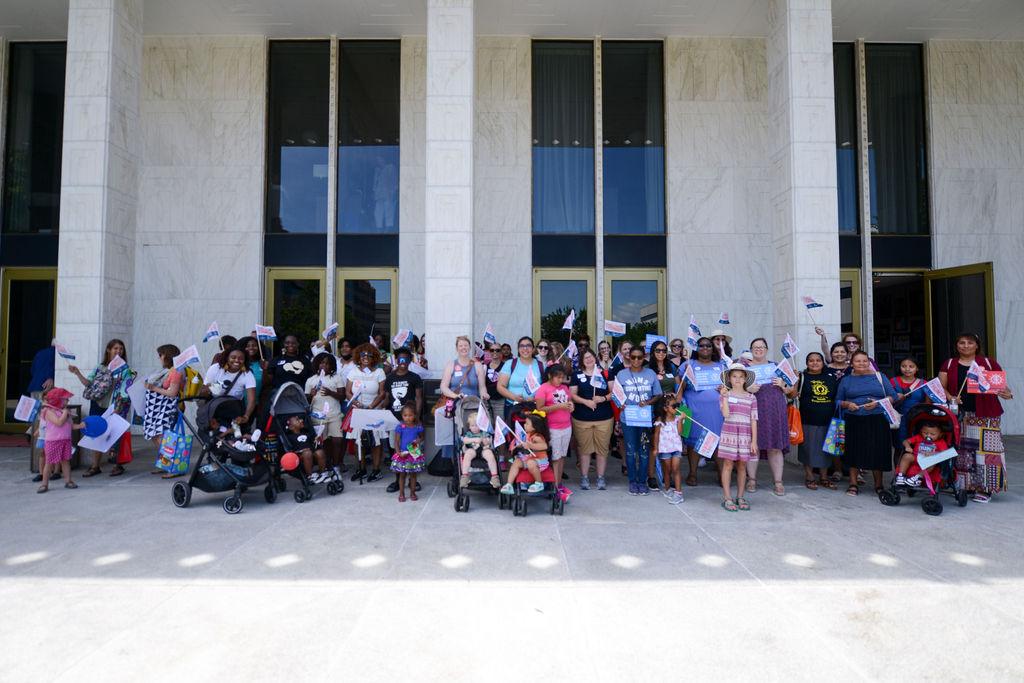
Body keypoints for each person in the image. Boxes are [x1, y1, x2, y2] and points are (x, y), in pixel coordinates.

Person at [938, 332, 1014, 503]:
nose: (965, 346)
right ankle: (966, 486)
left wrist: (1007, 394)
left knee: (988, 453)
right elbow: (940, 387)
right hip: (961, 414)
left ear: (977, 346)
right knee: (964, 452)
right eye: (961, 343)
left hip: (986, 414)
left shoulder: (988, 363)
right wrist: (951, 397)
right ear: (957, 345)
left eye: (970, 343)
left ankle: (985, 489)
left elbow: (1002, 388)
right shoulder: (949, 364)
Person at [835, 350, 899, 496]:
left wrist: (877, 403)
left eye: (865, 361)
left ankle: (878, 485)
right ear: (851, 364)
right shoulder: (846, 380)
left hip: (877, 418)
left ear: (869, 362)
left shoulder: (879, 377)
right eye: (858, 361)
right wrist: (847, 404)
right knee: (854, 451)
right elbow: (837, 401)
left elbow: (893, 397)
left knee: (878, 451)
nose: (862, 364)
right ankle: (853, 484)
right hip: (853, 419)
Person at [69, 338, 134, 477]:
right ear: (108, 350)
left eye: (121, 349)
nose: (118, 351)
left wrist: (118, 407)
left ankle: (118, 465)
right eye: (115, 348)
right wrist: (77, 372)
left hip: (115, 406)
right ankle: (95, 466)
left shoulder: (125, 370)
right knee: (96, 433)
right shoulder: (100, 367)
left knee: (116, 434)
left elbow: (125, 390)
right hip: (97, 404)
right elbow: (88, 383)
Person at [743, 337, 796, 496]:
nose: (758, 349)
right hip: (752, 409)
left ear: (766, 349)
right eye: (755, 347)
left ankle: (778, 482)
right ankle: (751, 479)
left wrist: (783, 385)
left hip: (774, 410)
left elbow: (792, 392)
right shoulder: (744, 368)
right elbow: (735, 387)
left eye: (761, 347)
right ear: (751, 350)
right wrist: (748, 387)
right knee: (753, 446)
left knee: (775, 446)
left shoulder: (777, 367)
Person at [614, 346, 662, 496]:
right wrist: (620, 403)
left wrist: (648, 402)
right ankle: (632, 481)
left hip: (644, 418)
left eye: (639, 357)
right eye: (633, 357)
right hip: (628, 418)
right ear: (628, 357)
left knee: (643, 450)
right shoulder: (621, 374)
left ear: (644, 358)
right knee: (630, 450)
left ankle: (642, 481)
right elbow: (616, 395)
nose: (636, 360)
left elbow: (658, 394)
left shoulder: (650, 373)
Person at [681, 337, 727, 486]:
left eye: (708, 345)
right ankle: (693, 473)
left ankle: (722, 475)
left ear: (712, 348)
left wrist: (725, 389)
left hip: (717, 412)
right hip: (694, 411)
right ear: (697, 348)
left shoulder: (721, 366)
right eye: (701, 345)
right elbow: (679, 386)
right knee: (694, 443)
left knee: (718, 441)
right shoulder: (688, 365)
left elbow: (731, 386)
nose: (705, 348)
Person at [570, 348, 614, 491]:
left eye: (591, 357)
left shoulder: (605, 373)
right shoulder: (576, 375)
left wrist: (602, 398)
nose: (589, 359)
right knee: (585, 449)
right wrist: (586, 402)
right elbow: (572, 395)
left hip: (604, 417)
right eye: (585, 358)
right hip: (582, 418)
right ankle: (584, 477)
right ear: (581, 361)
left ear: (595, 358)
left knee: (602, 449)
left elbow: (613, 393)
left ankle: (601, 477)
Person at [383, 347, 424, 493]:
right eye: (400, 359)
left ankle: (413, 480)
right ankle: (397, 480)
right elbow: (387, 398)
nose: (403, 362)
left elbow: (419, 398)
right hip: (394, 420)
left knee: (413, 450)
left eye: (406, 359)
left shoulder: (415, 377)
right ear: (395, 359)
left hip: (411, 421)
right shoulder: (390, 378)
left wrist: (417, 417)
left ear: (409, 360)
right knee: (397, 450)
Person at [717, 363, 758, 511]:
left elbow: (754, 419)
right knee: (728, 464)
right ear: (729, 378)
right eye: (734, 376)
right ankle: (727, 498)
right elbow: (726, 414)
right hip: (730, 433)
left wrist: (754, 441)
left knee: (742, 465)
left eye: (741, 376)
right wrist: (725, 398)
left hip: (745, 435)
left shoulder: (751, 397)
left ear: (746, 378)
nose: (738, 379)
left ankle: (740, 496)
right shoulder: (724, 395)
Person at [345, 343, 387, 482]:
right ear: (358, 356)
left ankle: (376, 470)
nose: (366, 357)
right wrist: (357, 404)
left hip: (373, 410)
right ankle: (361, 469)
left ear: (374, 357)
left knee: (375, 441)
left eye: (369, 355)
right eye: (363, 355)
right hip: (358, 409)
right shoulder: (353, 371)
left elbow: (382, 394)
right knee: (358, 440)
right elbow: (347, 391)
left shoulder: (379, 372)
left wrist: (370, 407)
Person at [796, 352, 838, 490]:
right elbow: (792, 394)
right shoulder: (801, 377)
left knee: (826, 450)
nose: (815, 363)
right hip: (808, 419)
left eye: (818, 360)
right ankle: (809, 476)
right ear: (807, 363)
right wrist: (794, 381)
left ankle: (824, 477)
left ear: (822, 362)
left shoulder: (831, 377)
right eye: (811, 361)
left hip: (828, 419)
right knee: (808, 449)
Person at [533, 365, 574, 498]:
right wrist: (558, 406)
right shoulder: (543, 388)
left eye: (562, 377)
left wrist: (570, 406)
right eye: (558, 377)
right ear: (550, 376)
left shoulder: (565, 388)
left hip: (566, 425)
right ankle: (555, 487)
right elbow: (540, 408)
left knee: (562, 456)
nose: (560, 380)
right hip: (553, 427)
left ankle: (559, 483)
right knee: (555, 458)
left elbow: (569, 401)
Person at [143, 345, 184, 477]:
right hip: (159, 410)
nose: (159, 358)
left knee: (164, 438)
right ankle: (165, 464)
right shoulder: (169, 371)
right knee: (157, 436)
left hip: (167, 409)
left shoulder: (176, 372)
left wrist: (153, 388)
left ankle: (173, 467)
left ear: (166, 356)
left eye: (160, 355)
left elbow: (172, 393)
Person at [305, 353, 347, 479]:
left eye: (328, 363)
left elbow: (342, 396)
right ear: (317, 364)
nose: (324, 365)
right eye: (322, 362)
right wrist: (311, 395)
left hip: (334, 415)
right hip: (318, 417)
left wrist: (330, 392)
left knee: (337, 440)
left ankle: (336, 465)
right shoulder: (311, 380)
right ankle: (326, 466)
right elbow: (306, 401)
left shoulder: (336, 378)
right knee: (323, 442)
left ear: (332, 365)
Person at [36, 387, 83, 493]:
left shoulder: (65, 412)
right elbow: (58, 423)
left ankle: (68, 481)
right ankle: (44, 484)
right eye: (65, 399)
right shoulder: (48, 411)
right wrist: (65, 413)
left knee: (66, 462)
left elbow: (71, 426)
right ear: (58, 400)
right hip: (53, 441)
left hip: (66, 440)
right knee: (49, 463)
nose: (68, 401)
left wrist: (80, 426)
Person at [201, 348, 257, 426]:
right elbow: (202, 393)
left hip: (233, 410)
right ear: (227, 358)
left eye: (241, 358)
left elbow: (252, 400)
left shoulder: (247, 374)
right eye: (233, 357)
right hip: (213, 409)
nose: (237, 360)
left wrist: (246, 416)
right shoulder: (215, 368)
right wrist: (207, 389)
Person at [499, 412, 550, 495]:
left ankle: (539, 483)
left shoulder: (537, 437)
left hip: (540, 461)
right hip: (530, 458)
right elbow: (525, 443)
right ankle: (509, 484)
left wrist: (531, 445)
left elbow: (544, 446)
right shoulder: (528, 435)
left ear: (534, 427)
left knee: (530, 463)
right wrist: (518, 446)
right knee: (516, 462)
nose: (524, 425)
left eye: (527, 424)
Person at [27, 342, 56, 481]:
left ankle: (31, 432)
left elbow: (32, 369)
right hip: (47, 388)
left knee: (37, 417)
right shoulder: (56, 353)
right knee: (45, 417)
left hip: (35, 385)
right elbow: (53, 367)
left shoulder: (40, 352)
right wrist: (50, 377)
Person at [497, 336, 545, 422]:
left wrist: (535, 398)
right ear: (518, 349)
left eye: (528, 345)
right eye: (522, 346)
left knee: (534, 435)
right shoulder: (510, 364)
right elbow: (500, 386)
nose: (525, 348)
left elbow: (546, 388)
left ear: (533, 349)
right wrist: (514, 397)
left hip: (534, 408)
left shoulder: (541, 365)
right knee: (513, 434)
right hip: (512, 407)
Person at [894, 420, 949, 490]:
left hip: (929, 462)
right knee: (906, 456)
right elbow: (906, 441)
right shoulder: (919, 437)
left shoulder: (940, 442)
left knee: (932, 461)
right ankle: (901, 476)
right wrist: (908, 446)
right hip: (916, 458)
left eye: (932, 434)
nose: (928, 436)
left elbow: (945, 453)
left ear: (940, 434)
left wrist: (934, 454)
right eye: (925, 433)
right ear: (921, 431)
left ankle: (918, 477)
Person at [652, 394, 685, 504]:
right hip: (665, 449)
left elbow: (680, 432)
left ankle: (679, 493)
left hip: (676, 447)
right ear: (665, 408)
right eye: (674, 406)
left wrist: (681, 420)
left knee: (676, 469)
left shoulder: (677, 419)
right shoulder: (660, 420)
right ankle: (667, 488)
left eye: (677, 405)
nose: (677, 408)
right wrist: (655, 448)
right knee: (667, 470)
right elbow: (656, 435)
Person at [391, 403, 426, 502]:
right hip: (403, 452)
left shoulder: (418, 426)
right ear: (402, 416)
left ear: (414, 415)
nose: (408, 418)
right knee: (402, 474)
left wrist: (418, 441)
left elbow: (422, 436)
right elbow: (397, 441)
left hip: (414, 451)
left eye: (410, 415)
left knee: (413, 474)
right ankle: (401, 493)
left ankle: (412, 492)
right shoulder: (400, 427)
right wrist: (398, 453)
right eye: (405, 415)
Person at [890, 356, 927, 446]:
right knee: (899, 447)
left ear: (917, 368)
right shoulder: (893, 381)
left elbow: (927, 403)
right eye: (904, 366)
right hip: (898, 419)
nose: (907, 369)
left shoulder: (923, 383)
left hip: (917, 419)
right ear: (900, 367)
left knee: (916, 446)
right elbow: (886, 400)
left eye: (911, 366)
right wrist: (895, 398)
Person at [440, 336, 489, 404]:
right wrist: (456, 396)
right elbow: (443, 387)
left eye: (466, 345)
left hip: (473, 405)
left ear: (469, 347)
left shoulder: (478, 365)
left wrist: (484, 394)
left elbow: (482, 387)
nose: (463, 347)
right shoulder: (450, 365)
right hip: (454, 405)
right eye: (460, 346)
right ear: (457, 348)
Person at [459, 409, 499, 489]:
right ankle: (464, 476)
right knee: (467, 455)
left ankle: (494, 477)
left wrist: (485, 441)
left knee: (490, 455)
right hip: (472, 449)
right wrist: (474, 440)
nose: (474, 428)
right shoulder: (469, 433)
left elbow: (488, 442)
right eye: (472, 426)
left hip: (483, 449)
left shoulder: (484, 432)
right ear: (469, 426)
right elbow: (465, 440)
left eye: (476, 425)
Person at [285, 414, 328, 483]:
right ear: (291, 427)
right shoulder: (290, 437)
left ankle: (322, 473)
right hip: (300, 455)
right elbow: (291, 449)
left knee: (320, 452)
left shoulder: (307, 433)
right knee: (307, 453)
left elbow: (313, 443)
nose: (301, 420)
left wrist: (317, 440)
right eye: (297, 420)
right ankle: (310, 476)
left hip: (311, 452)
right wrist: (302, 451)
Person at [235, 336, 267, 409]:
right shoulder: (237, 363)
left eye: (254, 345)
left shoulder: (263, 363)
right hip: (237, 403)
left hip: (254, 405)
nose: (251, 348)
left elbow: (266, 384)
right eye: (247, 346)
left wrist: (264, 369)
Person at [483, 342, 507, 426]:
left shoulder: (505, 366)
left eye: (497, 350)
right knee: (488, 425)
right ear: (489, 352)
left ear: (501, 352)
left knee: (500, 425)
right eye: (492, 350)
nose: (495, 352)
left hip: (500, 400)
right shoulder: (484, 366)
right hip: (486, 401)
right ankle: (489, 439)